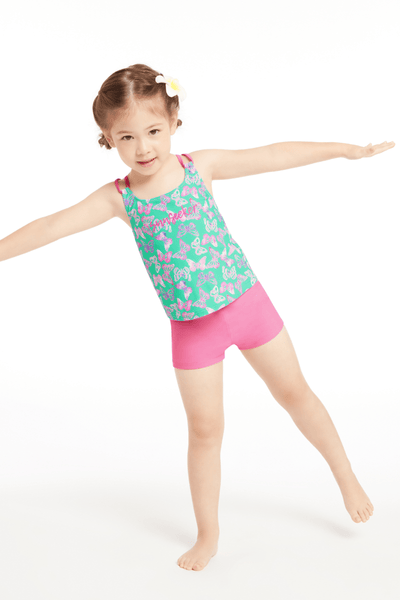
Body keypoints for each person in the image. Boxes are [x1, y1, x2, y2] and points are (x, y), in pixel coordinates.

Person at [0, 62, 395, 573]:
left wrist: (344, 150)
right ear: (108, 138)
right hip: (193, 332)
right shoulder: (119, 198)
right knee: (206, 431)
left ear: (173, 121)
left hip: (249, 306)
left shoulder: (198, 167)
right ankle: (208, 533)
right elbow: (51, 226)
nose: (143, 147)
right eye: (127, 137)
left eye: (153, 131)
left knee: (296, 394)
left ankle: (347, 477)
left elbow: (272, 155)